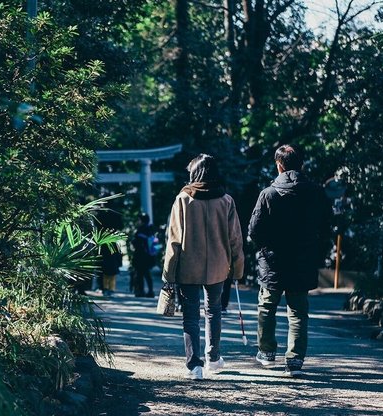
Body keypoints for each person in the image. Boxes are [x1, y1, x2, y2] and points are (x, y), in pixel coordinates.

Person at [248, 144, 331, 377]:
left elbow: (254, 230)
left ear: (279, 165)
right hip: (303, 260)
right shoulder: (315, 192)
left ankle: (266, 352)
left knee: (266, 306)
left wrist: (266, 246)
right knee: (297, 311)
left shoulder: (268, 194)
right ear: (301, 165)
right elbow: (327, 226)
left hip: (272, 260)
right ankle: (294, 360)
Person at [161, 154, 244, 380]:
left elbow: (174, 240)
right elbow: (235, 238)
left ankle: (194, 366)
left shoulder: (183, 199)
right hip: (218, 266)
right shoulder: (226, 200)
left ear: (194, 173)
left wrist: (168, 273)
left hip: (188, 265)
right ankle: (213, 358)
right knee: (213, 310)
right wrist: (237, 269)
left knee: (190, 316)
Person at [131, 213, 156, 297]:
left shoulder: (141, 230)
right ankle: (150, 291)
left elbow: (136, 242)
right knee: (147, 274)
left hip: (140, 255)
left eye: (139, 219)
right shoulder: (150, 229)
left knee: (140, 274)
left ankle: (141, 291)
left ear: (141, 220)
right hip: (149, 255)